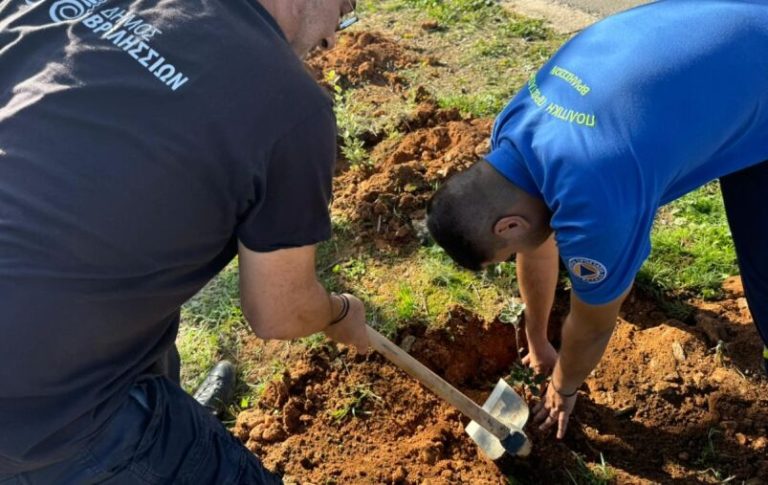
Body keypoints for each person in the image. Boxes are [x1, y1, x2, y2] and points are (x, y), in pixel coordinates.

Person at [0, 0, 368, 482]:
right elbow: (281, 311)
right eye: (347, 7)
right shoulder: (291, 105)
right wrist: (339, 313)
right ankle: (143, 441)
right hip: (41, 420)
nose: (336, 36)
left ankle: (161, 413)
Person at [427, 0, 768, 442]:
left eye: (509, 253)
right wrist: (537, 338)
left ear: (508, 227)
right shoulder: (513, 130)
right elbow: (537, 242)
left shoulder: (595, 204)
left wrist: (564, 387)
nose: (519, 254)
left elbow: (592, 325)